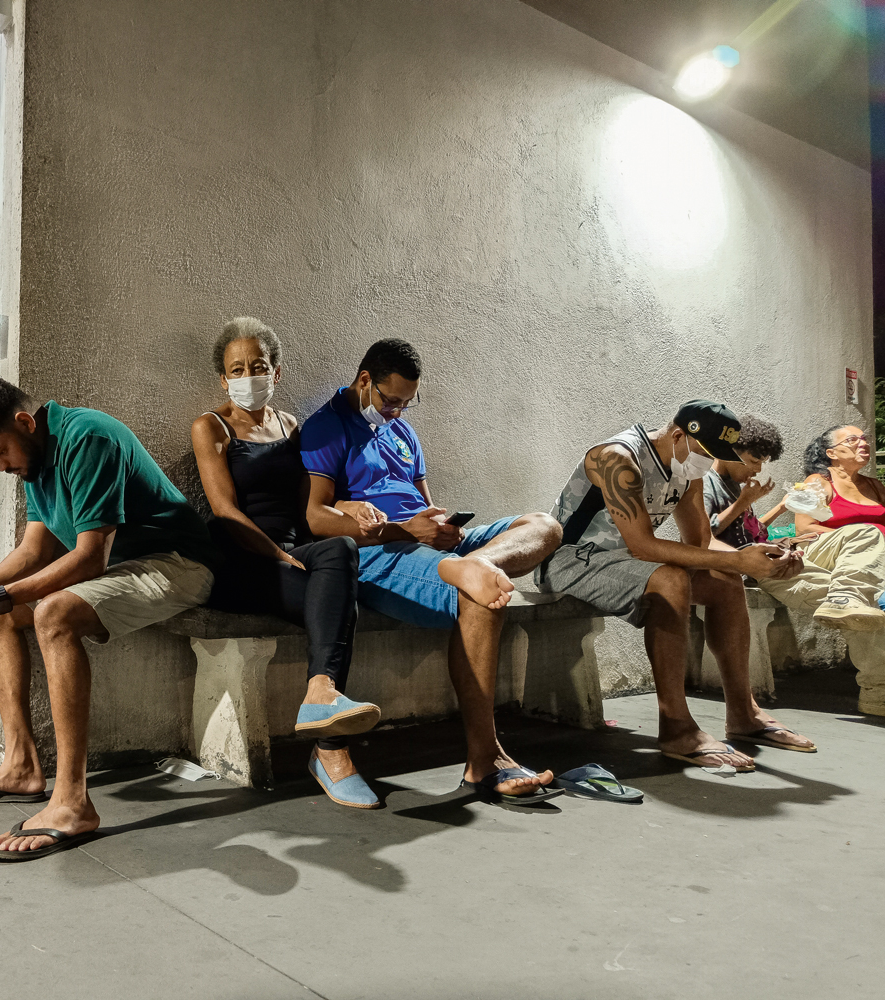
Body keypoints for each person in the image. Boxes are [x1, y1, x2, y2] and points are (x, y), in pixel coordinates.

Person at [0, 377, 219, 862]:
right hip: (128, 566)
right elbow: (34, 551)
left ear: (25, 423)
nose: (1, 467)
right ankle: (21, 766)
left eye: (0, 453)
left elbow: (88, 560)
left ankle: (73, 801)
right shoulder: (36, 461)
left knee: (53, 613)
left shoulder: (87, 438)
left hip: (179, 564)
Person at [300, 339, 564, 803]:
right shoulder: (326, 428)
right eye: (392, 400)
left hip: (428, 545)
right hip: (380, 553)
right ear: (365, 381)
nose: (399, 411)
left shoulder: (403, 433)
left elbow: (426, 505)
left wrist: (442, 530)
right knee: (479, 595)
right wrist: (405, 530)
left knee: (543, 525)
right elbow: (316, 518)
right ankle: (486, 761)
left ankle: (475, 564)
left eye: (407, 402)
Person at [536, 401, 815, 765]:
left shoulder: (687, 468)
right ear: (679, 434)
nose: (707, 462)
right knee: (671, 579)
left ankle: (744, 714)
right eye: (706, 452)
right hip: (568, 561)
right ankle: (676, 727)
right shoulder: (618, 458)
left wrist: (759, 555)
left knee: (725, 581)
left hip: (625, 563)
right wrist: (735, 558)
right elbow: (644, 545)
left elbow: (699, 540)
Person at [191, 317, 377, 808]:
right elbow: (226, 512)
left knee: (341, 552)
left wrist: (349, 511)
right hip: (240, 561)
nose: (247, 375)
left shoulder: (294, 426)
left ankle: (320, 694)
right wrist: (278, 555)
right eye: (237, 368)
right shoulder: (210, 426)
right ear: (223, 378)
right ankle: (332, 753)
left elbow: (309, 512)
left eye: (258, 365)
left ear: (276, 372)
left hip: (295, 555)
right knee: (344, 606)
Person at [751, 424, 885, 718]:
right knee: (884, 595)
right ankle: (846, 597)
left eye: (865, 439)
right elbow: (806, 529)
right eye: (853, 439)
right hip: (831, 553)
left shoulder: (875, 485)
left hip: (880, 563)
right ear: (831, 453)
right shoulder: (819, 482)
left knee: (865, 608)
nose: (863, 444)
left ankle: (882, 694)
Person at [703, 414, 789, 548]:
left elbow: (750, 531)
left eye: (762, 463)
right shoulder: (706, 483)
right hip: (728, 565)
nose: (758, 470)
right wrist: (742, 503)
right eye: (754, 461)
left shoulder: (737, 484)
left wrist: (781, 508)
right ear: (728, 452)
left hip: (752, 559)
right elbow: (704, 535)